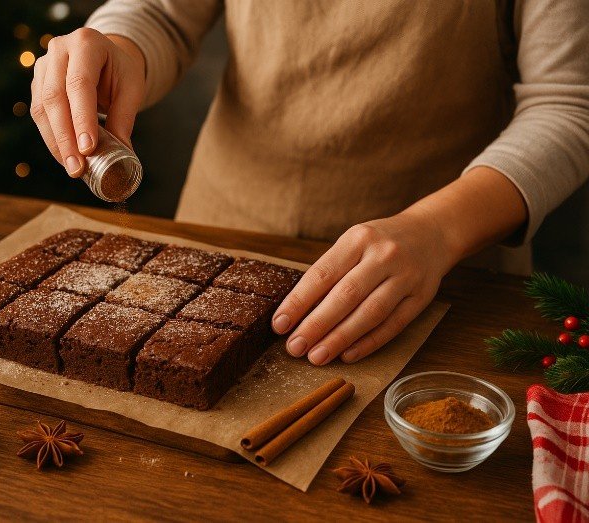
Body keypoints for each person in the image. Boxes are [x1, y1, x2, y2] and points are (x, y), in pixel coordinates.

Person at [30, 1, 589, 366]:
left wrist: (438, 231)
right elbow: (161, 13)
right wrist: (115, 47)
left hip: (444, 276)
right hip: (224, 229)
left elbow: (568, 104)